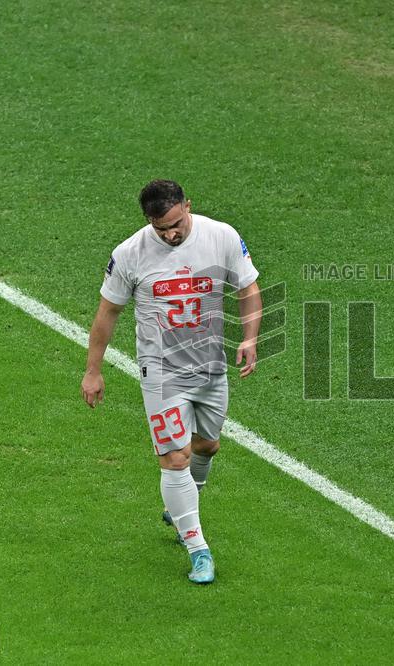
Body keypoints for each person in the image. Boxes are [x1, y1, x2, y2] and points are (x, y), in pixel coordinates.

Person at [81, 179, 262, 584]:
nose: (170, 234)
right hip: (161, 374)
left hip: (209, 366)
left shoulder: (222, 236)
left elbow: (248, 287)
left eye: (176, 223)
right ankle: (198, 548)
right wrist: (94, 370)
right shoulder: (130, 254)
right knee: (173, 457)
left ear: (188, 206)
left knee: (206, 446)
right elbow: (107, 313)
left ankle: (183, 506)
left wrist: (250, 336)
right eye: (160, 227)